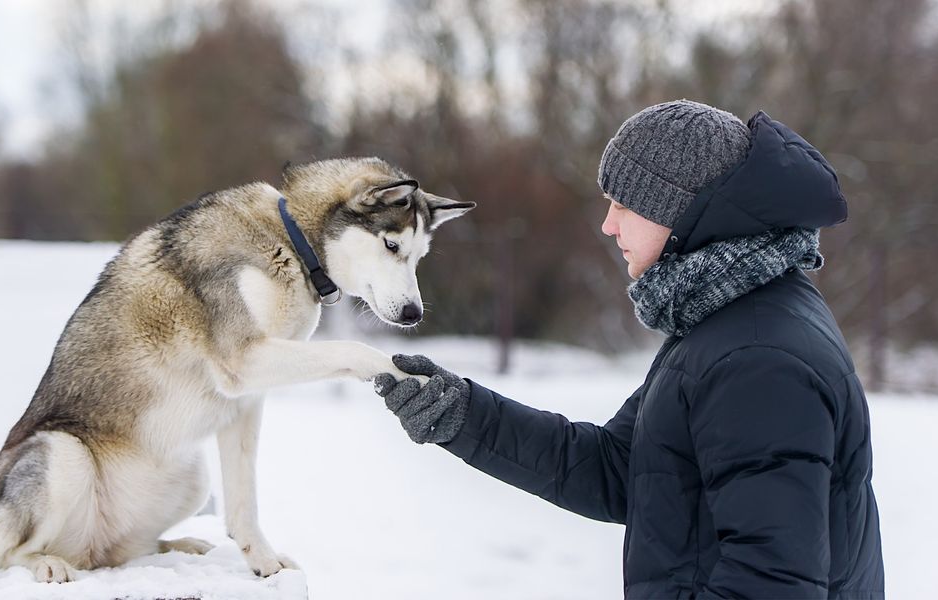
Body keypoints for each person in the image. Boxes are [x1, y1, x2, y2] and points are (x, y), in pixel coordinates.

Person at [373, 100, 884, 599]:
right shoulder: (727, 321)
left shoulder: (756, 358)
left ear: (680, 211)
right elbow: (620, 468)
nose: (608, 224)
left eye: (625, 204)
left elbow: (771, 584)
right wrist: (465, 415)